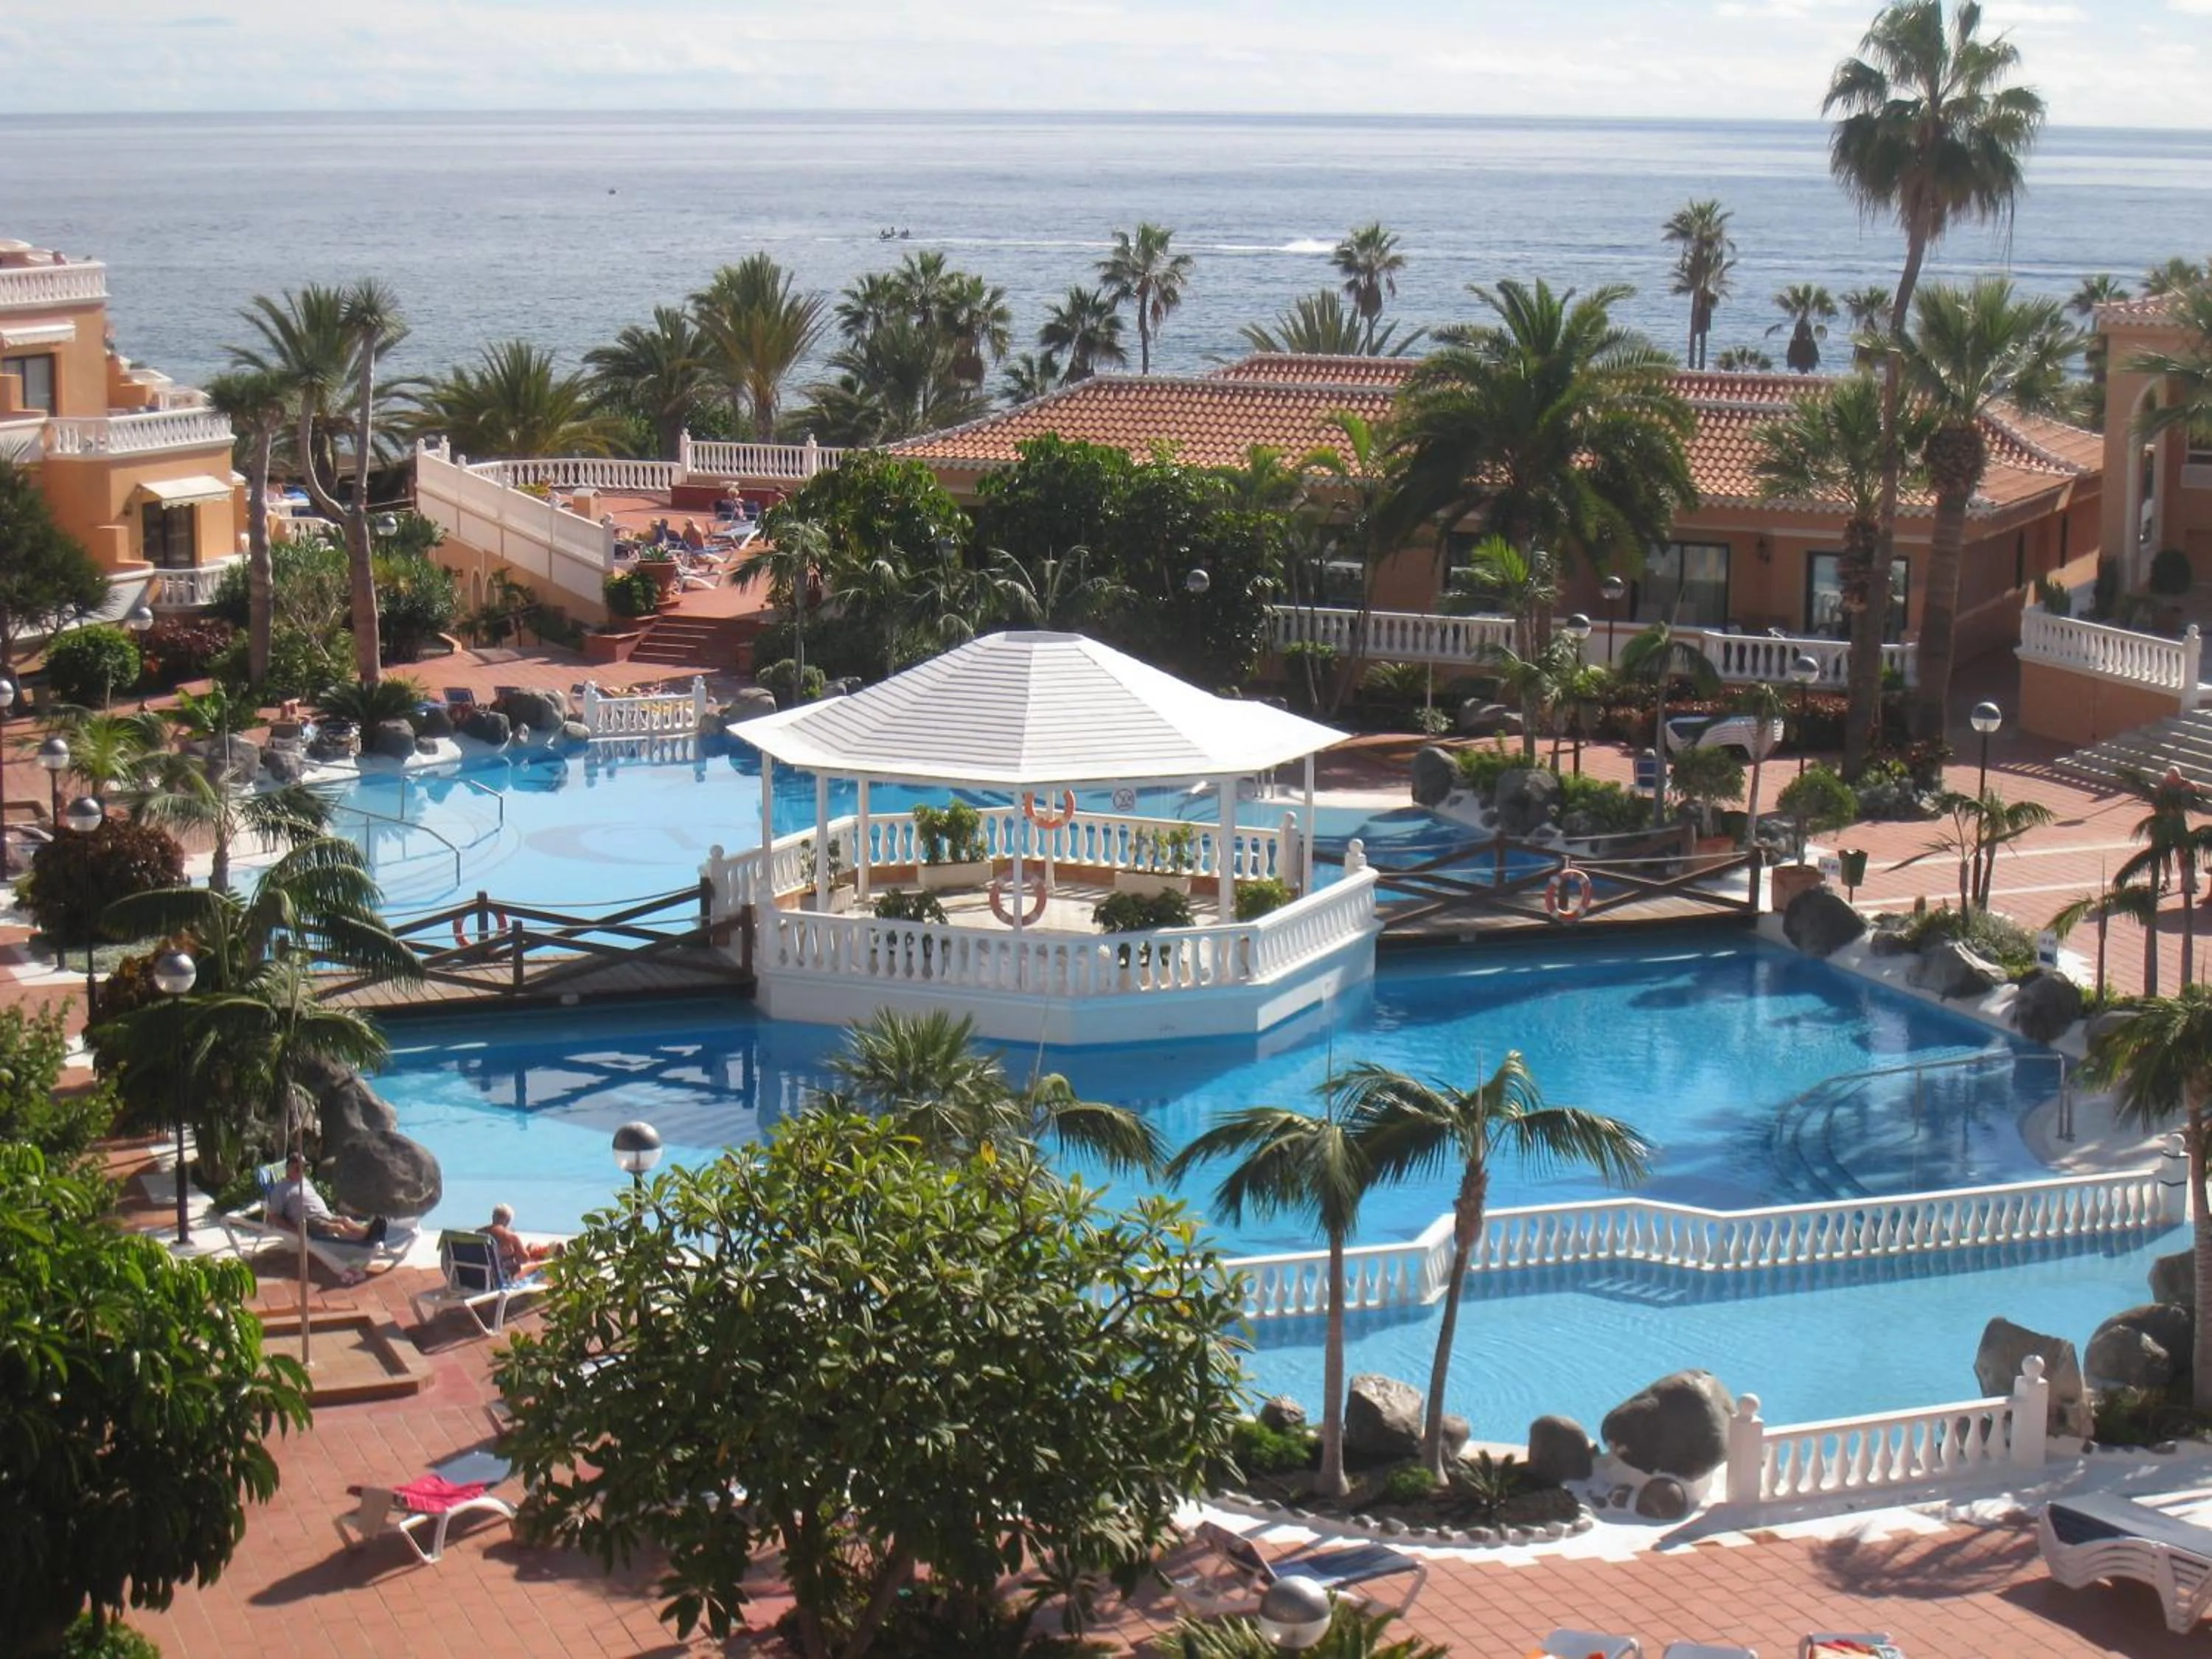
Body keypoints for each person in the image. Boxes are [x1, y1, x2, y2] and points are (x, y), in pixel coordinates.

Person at [268, 1152, 389, 1247]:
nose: (302, 1171)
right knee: (337, 1228)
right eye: (298, 1168)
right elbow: (274, 1216)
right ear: (288, 1168)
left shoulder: (304, 1181)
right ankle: (362, 1241)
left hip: (324, 1214)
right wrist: (295, 1231)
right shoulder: (280, 1189)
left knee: (345, 1220)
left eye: (304, 1168)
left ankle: (366, 1232)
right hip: (307, 1220)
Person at [483, 1203, 560, 1279]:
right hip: (504, 1277)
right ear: (508, 1220)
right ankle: (550, 1258)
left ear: (493, 1217)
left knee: (531, 1248)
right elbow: (524, 1260)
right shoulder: (510, 1236)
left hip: (480, 1275)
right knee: (540, 1264)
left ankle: (540, 1250)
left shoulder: (479, 1233)